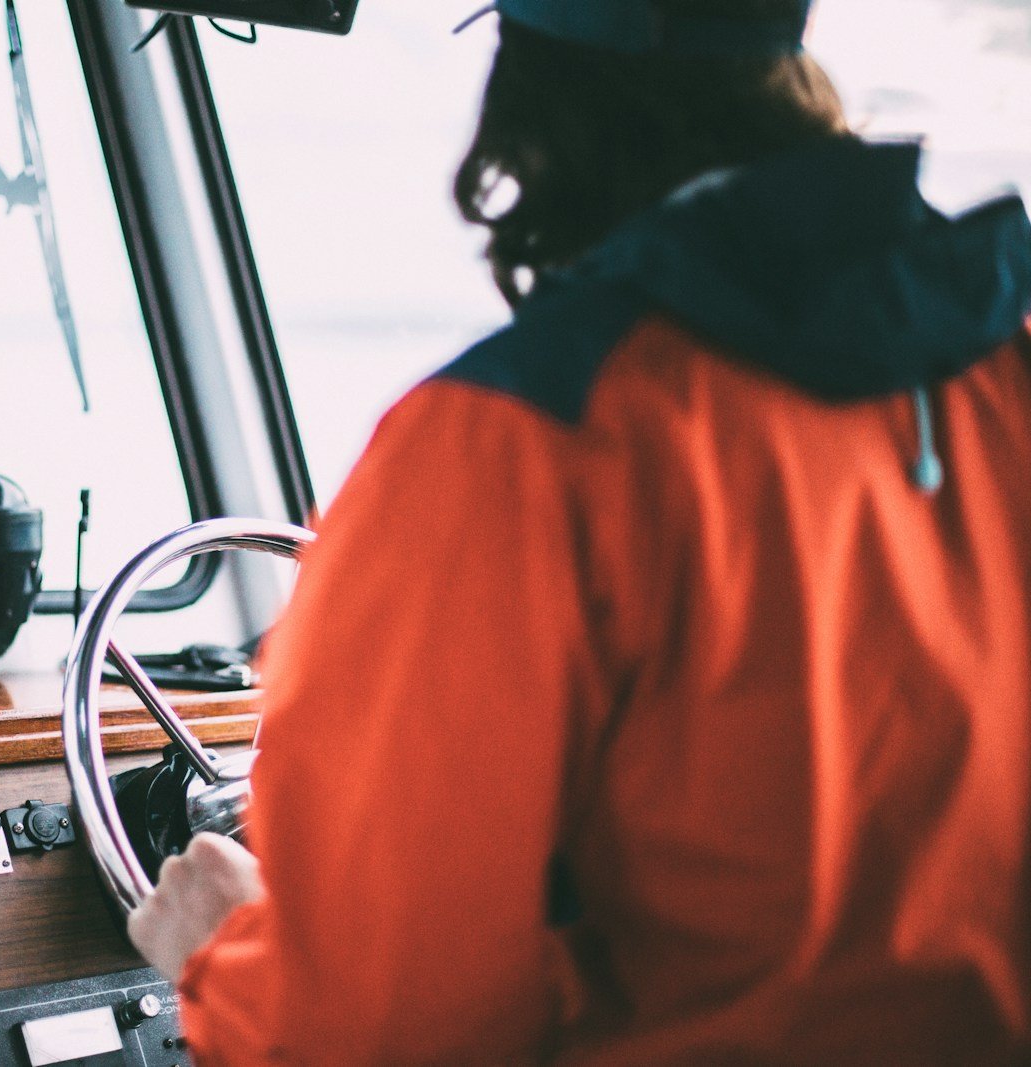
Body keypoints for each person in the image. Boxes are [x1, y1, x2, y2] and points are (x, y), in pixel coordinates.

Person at [127, 0, 1031, 1062]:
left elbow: (374, 1029)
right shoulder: (1000, 374)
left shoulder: (509, 448)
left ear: (527, 102)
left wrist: (226, 947)